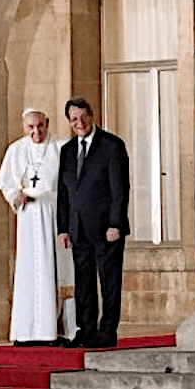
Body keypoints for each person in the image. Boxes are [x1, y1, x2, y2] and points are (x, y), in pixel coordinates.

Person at [0, 109, 78, 346]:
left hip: (54, 214)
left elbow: (71, 185)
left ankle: (58, 331)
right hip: (28, 217)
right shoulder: (16, 149)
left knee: (58, 271)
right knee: (29, 270)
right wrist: (15, 196)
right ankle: (27, 332)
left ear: (47, 123)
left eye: (40, 126)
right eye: (30, 127)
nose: (36, 131)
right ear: (24, 127)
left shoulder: (61, 147)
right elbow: (6, 184)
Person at [57, 97, 129, 348]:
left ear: (92, 114)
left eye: (83, 116)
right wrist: (63, 228)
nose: (79, 123)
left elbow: (119, 189)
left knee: (109, 282)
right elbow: (64, 193)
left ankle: (107, 331)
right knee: (83, 282)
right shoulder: (66, 151)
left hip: (106, 229)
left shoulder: (112, 145)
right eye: (73, 119)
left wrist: (115, 224)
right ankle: (86, 330)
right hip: (79, 229)